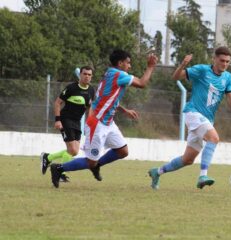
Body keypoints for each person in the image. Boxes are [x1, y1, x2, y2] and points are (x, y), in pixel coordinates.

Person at [49, 49, 158, 188]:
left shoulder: (110, 73)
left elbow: (107, 98)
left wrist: (124, 110)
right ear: (120, 63)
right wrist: (150, 67)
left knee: (122, 151)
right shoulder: (119, 74)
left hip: (108, 122)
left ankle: (97, 165)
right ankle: (59, 169)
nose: (129, 66)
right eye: (128, 63)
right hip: (97, 123)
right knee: (90, 162)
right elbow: (142, 83)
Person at [148, 46, 231, 190]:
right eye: (222, 60)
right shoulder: (202, 70)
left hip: (206, 120)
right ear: (214, 59)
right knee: (214, 138)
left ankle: (157, 172)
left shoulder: (228, 78)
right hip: (193, 113)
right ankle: (203, 175)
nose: (225, 64)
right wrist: (183, 64)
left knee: (187, 159)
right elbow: (176, 77)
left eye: (228, 62)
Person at [41, 66, 95, 182]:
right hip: (66, 120)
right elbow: (57, 103)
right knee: (71, 149)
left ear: (91, 77)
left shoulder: (91, 90)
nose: (87, 76)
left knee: (74, 151)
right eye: (85, 74)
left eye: (89, 75)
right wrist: (57, 120)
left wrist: (90, 122)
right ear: (80, 75)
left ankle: (48, 157)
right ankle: (61, 173)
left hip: (77, 122)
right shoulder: (71, 88)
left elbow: (90, 107)